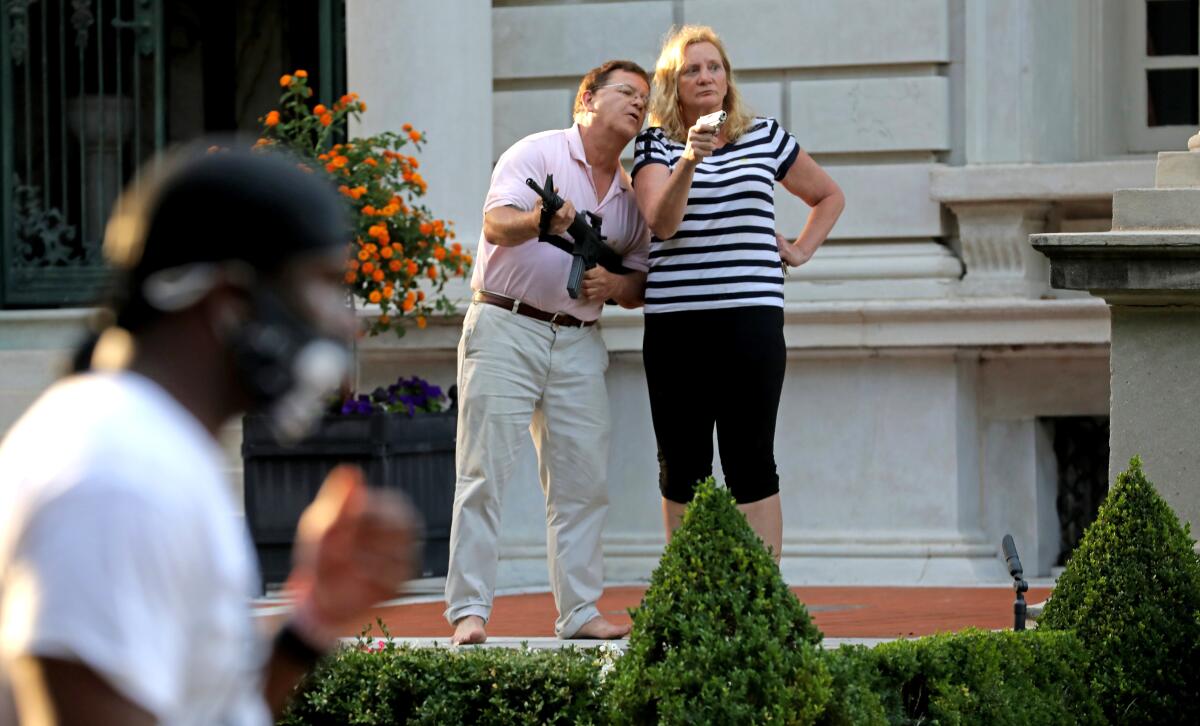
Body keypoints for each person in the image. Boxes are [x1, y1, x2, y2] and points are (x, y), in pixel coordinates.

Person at [0, 146, 419, 725]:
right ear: (229, 305)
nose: (348, 321)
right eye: (322, 284)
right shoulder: (118, 478)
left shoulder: (144, 447)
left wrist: (310, 621)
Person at [445, 60, 651, 645]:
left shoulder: (632, 198)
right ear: (586, 98)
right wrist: (542, 219)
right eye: (627, 92)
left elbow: (638, 282)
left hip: (580, 340)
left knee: (582, 483)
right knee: (483, 474)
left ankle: (580, 612)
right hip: (506, 325)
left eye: (645, 97)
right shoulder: (536, 154)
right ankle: (469, 611)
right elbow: (494, 224)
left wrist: (613, 287)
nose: (639, 103)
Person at [631, 26, 845, 562]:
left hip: (751, 321)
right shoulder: (656, 145)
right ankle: (689, 595)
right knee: (683, 464)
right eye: (691, 70)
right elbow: (662, 224)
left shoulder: (764, 135)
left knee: (752, 460)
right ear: (673, 85)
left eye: (714, 67)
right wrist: (688, 160)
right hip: (677, 326)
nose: (705, 76)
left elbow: (828, 196)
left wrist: (799, 249)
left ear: (727, 78)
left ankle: (762, 600)